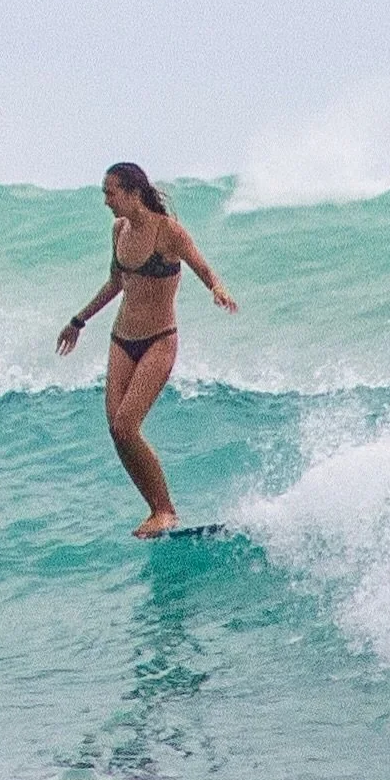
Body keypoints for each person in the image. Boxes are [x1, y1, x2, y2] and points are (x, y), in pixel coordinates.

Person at [57, 163, 237, 538]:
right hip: (121, 339)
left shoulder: (167, 232)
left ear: (132, 192)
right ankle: (155, 509)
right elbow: (115, 283)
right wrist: (78, 321)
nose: (106, 201)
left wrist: (216, 289)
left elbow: (202, 266)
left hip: (159, 339)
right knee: (117, 431)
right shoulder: (119, 230)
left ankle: (165, 510)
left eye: (111, 193)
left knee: (126, 425)